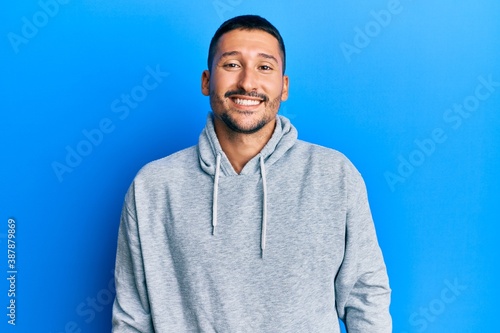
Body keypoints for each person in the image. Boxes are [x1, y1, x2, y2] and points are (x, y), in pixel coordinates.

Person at [112, 14, 391, 332]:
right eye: (231, 65)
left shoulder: (335, 176)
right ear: (206, 81)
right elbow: (132, 317)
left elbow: (365, 298)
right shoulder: (153, 187)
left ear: (284, 86)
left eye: (265, 67)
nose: (247, 82)